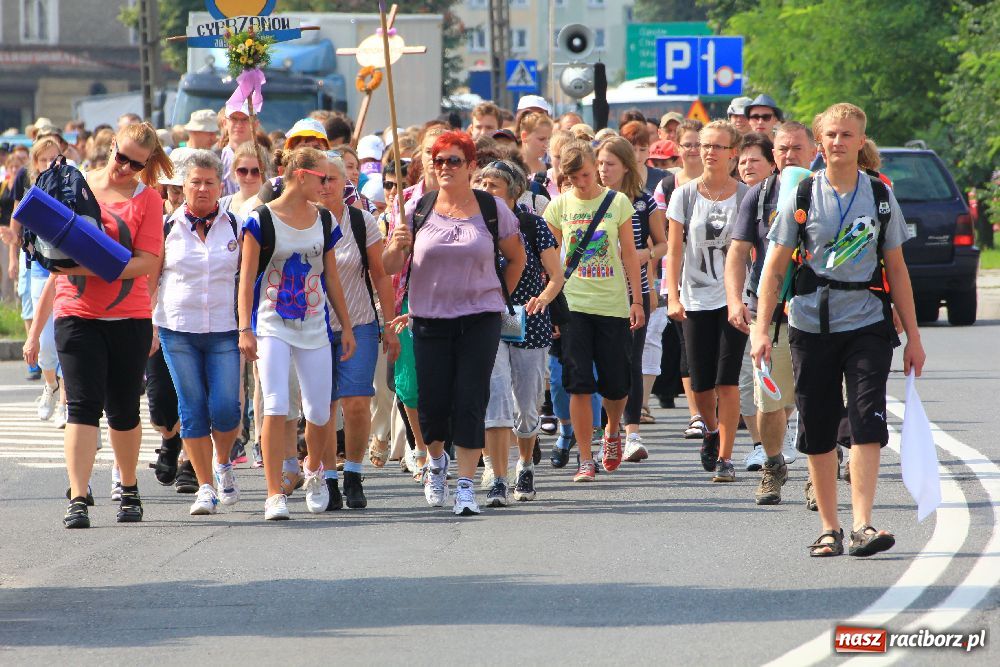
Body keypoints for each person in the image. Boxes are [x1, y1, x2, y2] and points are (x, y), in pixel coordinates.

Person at [750, 103, 925, 557]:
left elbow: (898, 269)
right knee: (819, 425)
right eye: (831, 134)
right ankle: (830, 527)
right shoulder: (802, 195)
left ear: (861, 142)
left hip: (867, 320)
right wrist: (762, 328)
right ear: (820, 140)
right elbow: (773, 270)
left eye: (849, 135)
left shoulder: (880, 196)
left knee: (867, 421)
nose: (840, 142)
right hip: (810, 322)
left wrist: (914, 338)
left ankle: (863, 523)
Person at [24, 122, 173, 528]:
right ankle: (77, 494)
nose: (124, 168)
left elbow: (147, 262)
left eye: (136, 164)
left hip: (130, 316)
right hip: (77, 312)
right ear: (110, 149)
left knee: (124, 409)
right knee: (82, 407)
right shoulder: (78, 186)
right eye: (121, 157)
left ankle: (128, 487)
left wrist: (98, 266)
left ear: (146, 166)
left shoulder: (149, 201)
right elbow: (51, 245)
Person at [383, 131, 526, 516]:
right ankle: (435, 463)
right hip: (428, 317)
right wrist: (396, 246)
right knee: (432, 402)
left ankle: (464, 485)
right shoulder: (417, 208)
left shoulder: (493, 209)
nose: (445, 167)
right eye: (439, 160)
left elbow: (517, 259)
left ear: (471, 165)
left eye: (453, 160)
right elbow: (389, 268)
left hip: (480, 318)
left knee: (470, 397)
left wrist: (497, 295)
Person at [237, 147, 356, 520]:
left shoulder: (324, 221)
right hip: (272, 324)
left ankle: (315, 471)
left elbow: (331, 277)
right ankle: (274, 493)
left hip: (314, 326)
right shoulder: (261, 219)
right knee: (274, 404)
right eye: (322, 177)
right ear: (301, 175)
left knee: (319, 410)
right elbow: (245, 280)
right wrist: (245, 328)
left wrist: (347, 325)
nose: (328, 184)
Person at [530, 140, 644, 482]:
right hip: (574, 304)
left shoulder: (617, 202)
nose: (580, 182)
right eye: (573, 177)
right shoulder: (559, 206)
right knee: (578, 382)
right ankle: (584, 457)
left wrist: (636, 300)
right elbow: (546, 261)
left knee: (616, 384)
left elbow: (628, 255)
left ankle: (612, 431)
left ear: (595, 166)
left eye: (584, 174)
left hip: (612, 305)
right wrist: (547, 302)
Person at [726, 122, 815, 505]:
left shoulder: (827, 191)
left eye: (796, 148)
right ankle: (773, 465)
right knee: (770, 401)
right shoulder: (760, 196)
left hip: (817, 311)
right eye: (781, 149)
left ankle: (818, 472)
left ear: (813, 152)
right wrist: (734, 302)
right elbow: (737, 252)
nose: (788, 155)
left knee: (818, 396)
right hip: (769, 313)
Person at [153, 150, 243, 516]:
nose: (203, 189)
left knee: (225, 409)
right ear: (183, 187)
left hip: (224, 328)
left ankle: (222, 462)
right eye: (195, 182)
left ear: (221, 186)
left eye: (210, 182)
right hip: (178, 329)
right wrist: (148, 325)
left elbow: (247, 278)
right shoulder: (165, 227)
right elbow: (150, 279)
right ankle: (204, 486)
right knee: (191, 410)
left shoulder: (238, 225)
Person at [664, 120, 750, 483]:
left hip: (735, 299)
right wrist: (672, 296)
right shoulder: (684, 195)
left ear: (733, 153)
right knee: (700, 384)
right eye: (704, 145)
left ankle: (727, 457)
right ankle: (711, 431)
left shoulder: (747, 196)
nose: (709, 152)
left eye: (717, 146)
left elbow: (757, 252)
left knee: (727, 380)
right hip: (695, 297)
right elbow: (673, 251)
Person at [316, 152, 399, 509]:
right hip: (311, 327)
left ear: (344, 183)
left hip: (361, 322)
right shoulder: (299, 221)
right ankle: (326, 478)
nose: (324, 186)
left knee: (355, 402)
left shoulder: (361, 220)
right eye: (317, 179)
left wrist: (390, 327)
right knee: (321, 407)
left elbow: (380, 274)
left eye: (331, 179)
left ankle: (352, 472)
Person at [475, 159, 560, 504]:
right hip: (486, 321)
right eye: (482, 183)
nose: (485, 189)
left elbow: (556, 275)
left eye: (493, 185)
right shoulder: (473, 225)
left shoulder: (533, 225)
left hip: (528, 318)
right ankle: (497, 476)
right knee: (495, 400)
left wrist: (543, 298)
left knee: (526, 405)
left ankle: (525, 464)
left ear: (513, 190)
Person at [595, 136, 667, 462]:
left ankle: (632, 434)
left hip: (633, 291)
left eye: (609, 164)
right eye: (599, 163)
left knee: (631, 361)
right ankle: (603, 433)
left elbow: (663, 244)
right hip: (596, 292)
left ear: (625, 166)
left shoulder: (644, 200)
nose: (602, 170)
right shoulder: (590, 199)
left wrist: (646, 253)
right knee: (602, 364)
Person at [653, 119, 706, 439]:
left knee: (713, 348)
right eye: (687, 144)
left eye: (700, 144)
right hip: (681, 277)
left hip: (717, 277)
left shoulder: (727, 183)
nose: (694, 150)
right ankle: (696, 414)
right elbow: (663, 239)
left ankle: (713, 406)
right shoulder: (668, 187)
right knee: (689, 346)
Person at [9, 138, 66, 423]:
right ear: (35, 164)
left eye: (53, 159)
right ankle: (50, 384)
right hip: (39, 268)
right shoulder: (32, 193)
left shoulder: (71, 188)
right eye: (43, 160)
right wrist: (13, 243)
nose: (48, 165)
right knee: (44, 342)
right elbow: (18, 226)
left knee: (66, 337)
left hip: (67, 269)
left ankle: (65, 404)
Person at [730, 133, 777, 473]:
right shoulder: (745, 198)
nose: (747, 165)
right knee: (750, 379)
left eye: (754, 159)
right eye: (742, 160)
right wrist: (735, 299)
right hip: (751, 300)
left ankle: (782, 439)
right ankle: (762, 445)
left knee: (782, 380)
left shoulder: (792, 196)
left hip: (788, 302)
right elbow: (736, 253)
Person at [619, 120, 667, 195]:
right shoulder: (616, 177)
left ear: (649, 148)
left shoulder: (662, 177)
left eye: (642, 149)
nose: (638, 156)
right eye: (633, 150)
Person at [220, 103, 258, 195]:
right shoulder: (216, 159)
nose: (239, 124)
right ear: (225, 123)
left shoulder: (264, 158)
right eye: (234, 119)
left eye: (245, 119)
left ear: (255, 125)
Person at [219, 142, 265, 216]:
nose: (249, 177)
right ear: (234, 171)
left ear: (264, 172)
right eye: (242, 171)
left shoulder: (272, 207)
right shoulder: (221, 205)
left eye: (256, 171)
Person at [516, 111, 553, 176]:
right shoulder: (511, 168)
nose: (547, 144)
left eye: (549, 139)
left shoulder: (551, 169)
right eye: (541, 139)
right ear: (524, 136)